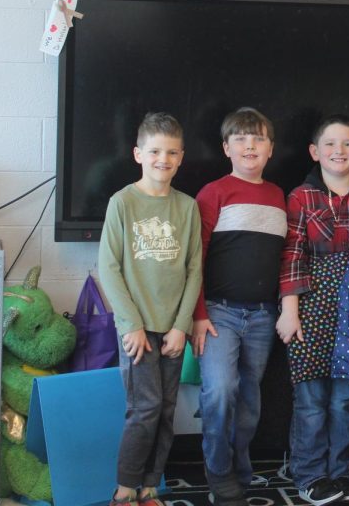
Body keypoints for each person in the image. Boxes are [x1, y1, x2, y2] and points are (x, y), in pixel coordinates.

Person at [98, 112, 203, 506]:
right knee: (145, 407)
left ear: (181, 157)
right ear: (138, 153)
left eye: (172, 152)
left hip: (172, 329)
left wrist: (181, 326)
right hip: (137, 329)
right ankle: (124, 488)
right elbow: (108, 267)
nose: (164, 158)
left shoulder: (187, 207)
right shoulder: (122, 202)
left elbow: (194, 269)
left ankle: (149, 486)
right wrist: (131, 325)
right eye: (155, 151)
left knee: (166, 410)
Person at [192, 108, 287, 506]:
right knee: (219, 391)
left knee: (249, 400)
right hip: (218, 313)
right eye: (242, 139)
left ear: (270, 149)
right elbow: (194, 258)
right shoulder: (213, 193)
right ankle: (218, 470)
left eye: (259, 138)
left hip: (263, 315)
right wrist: (198, 315)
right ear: (226, 147)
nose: (251, 145)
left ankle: (239, 468)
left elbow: (285, 258)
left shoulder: (279, 195)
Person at [277, 115, 349, 505]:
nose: (339, 151)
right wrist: (289, 310)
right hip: (310, 304)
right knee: (313, 399)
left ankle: (340, 471)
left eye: (348, 144)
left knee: (343, 400)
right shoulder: (301, 196)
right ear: (315, 152)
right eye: (330, 144)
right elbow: (292, 254)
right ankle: (310, 474)